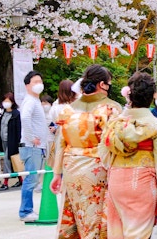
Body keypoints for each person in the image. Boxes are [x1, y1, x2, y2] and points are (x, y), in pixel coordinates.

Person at [50, 65, 122, 236]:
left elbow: (60, 143)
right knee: (96, 215)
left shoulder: (68, 109)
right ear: (103, 85)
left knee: (76, 212)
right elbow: (113, 142)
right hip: (97, 168)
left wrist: (56, 173)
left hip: (71, 167)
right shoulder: (110, 108)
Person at [102, 72, 157, 239]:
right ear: (151, 97)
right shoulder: (156, 126)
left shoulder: (116, 123)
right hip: (142, 181)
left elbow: (104, 153)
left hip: (116, 179)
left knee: (117, 231)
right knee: (140, 233)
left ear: (130, 96)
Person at [18, 70, 48, 222]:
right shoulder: (30, 100)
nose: (38, 84)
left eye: (40, 81)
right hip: (32, 146)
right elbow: (24, 118)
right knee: (31, 179)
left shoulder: (35, 100)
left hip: (36, 146)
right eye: (35, 82)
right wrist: (31, 138)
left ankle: (27, 210)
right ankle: (25, 211)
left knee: (33, 179)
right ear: (27, 86)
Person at [0, 93, 22, 190]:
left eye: (8, 101)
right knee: (12, 161)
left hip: (12, 141)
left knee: (7, 160)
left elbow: (18, 130)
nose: (6, 103)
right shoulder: (2, 113)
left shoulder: (16, 114)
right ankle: (21, 180)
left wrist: (19, 143)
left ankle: (5, 183)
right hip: (3, 140)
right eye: (5, 101)